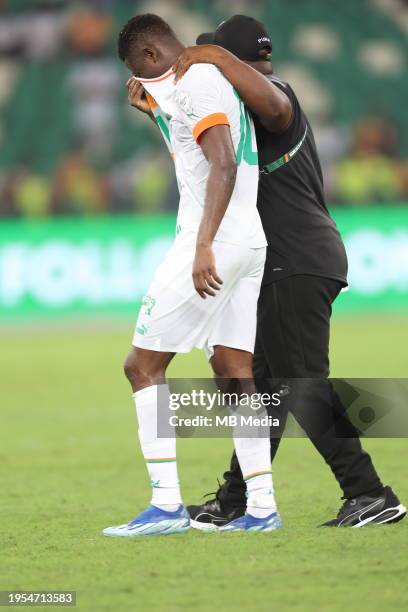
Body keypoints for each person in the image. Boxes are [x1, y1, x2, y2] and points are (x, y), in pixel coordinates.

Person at [167, 15, 405, 529]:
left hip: (294, 258)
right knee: (270, 388)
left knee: (300, 382)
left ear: (232, 61)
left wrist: (216, 58)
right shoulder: (248, 107)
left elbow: (272, 103)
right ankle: (235, 501)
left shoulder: (275, 94)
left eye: (218, 60)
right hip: (294, 257)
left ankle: (369, 493)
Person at [103, 13, 282, 537]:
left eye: (143, 69)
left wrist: (203, 245)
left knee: (141, 366)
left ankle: (165, 508)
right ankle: (263, 509)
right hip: (248, 241)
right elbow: (195, 157)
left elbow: (221, 163)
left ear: (153, 56)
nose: (145, 79)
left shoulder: (198, 80)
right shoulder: (203, 82)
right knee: (233, 372)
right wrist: (155, 113)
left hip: (214, 244)